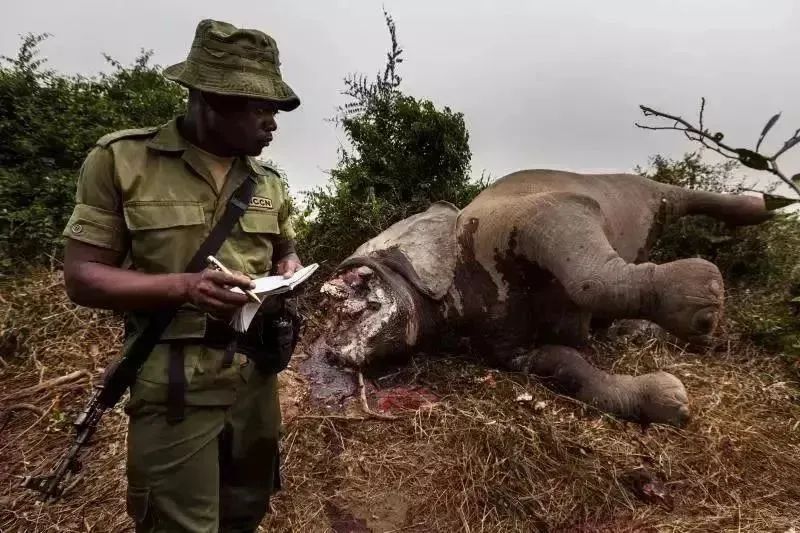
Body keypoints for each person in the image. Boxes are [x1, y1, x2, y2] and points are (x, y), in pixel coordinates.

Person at [61, 19, 302, 532]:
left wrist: (288, 268)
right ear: (210, 99)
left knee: (245, 512)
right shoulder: (123, 161)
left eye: (274, 110)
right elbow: (82, 277)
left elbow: (285, 247)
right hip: (173, 384)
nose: (272, 124)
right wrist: (185, 288)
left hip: (254, 380)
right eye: (261, 108)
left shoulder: (269, 182)